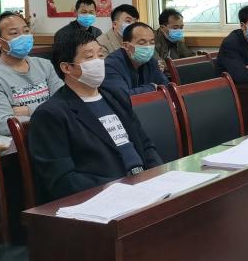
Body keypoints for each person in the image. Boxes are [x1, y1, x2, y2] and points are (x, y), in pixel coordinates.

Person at [29, 29, 162, 202]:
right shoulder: (51, 114)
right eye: (89, 57)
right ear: (67, 67)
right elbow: (62, 180)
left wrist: (157, 176)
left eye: (100, 55)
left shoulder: (115, 96)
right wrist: (118, 189)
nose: (98, 62)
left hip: (144, 186)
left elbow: (145, 144)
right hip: (106, 197)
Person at [0, 12, 62, 147]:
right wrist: (53, 112)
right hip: (21, 145)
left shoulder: (44, 65)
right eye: (14, 33)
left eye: (26, 31)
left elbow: (65, 104)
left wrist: (27, 110)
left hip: (57, 135)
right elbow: (3, 126)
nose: (23, 37)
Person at [104, 22, 169, 96]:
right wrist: (152, 87)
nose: (148, 47)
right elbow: (124, 96)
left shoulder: (151, 61)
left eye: (152, 42)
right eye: (142, 43)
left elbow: (166, 86)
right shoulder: (110, 65)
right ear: (126, 46)